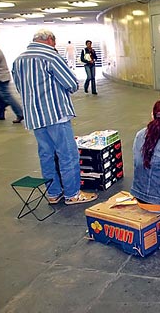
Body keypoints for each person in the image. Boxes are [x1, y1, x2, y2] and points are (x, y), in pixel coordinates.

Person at [12, 29, 97, 205]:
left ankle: (53, 193)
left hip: (34, 116)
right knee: (67, 155)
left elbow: (19, 87)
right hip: (56, 114)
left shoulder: (19, 59)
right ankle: (73, 194)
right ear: (50, 40)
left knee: (46, 155)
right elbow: (71, 84)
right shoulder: (50, 56)